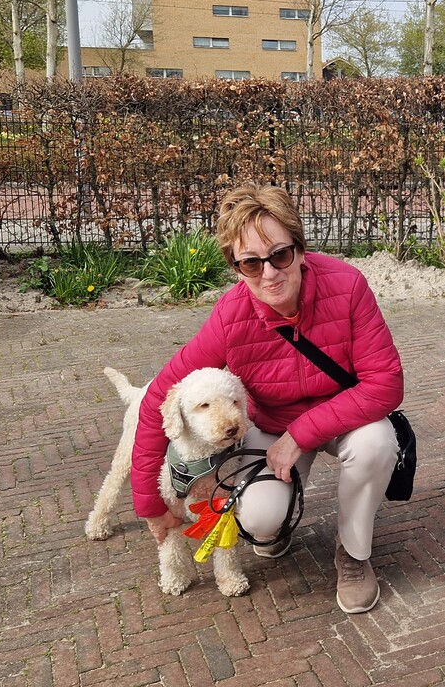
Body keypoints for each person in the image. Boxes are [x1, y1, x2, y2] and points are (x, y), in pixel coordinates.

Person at [130, 183, 404, 613]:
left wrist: (299, 437)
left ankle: (353, 555)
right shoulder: (230, 316)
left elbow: (385, 382)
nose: (269, 273)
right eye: (251, 263)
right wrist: (149, 504)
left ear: (299, 247)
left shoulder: (347, 285)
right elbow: (157, 401)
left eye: (279, 255)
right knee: (258, 524)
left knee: (377, 444)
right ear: (236, 267)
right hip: (272, 424)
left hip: (346, 418)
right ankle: (279, 523)